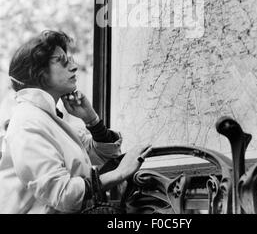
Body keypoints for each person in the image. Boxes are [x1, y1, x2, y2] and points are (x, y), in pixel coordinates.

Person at [0, 30, 151, 214]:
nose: (74, 67)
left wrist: (92, 120)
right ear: (38, 73)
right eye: (63, 62)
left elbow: (102, 158)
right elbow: (63, 194)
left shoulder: (47, 118)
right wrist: (118, 174)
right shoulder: (28, 122)